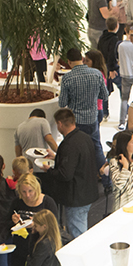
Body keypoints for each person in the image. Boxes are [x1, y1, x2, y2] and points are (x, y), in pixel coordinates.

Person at [45, 108, 100, 239]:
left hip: (76, 197)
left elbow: (66, 174)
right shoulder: (85, 138)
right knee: (81, 227)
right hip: (88, 191)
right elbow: (79, 160)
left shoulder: (68, 144)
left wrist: (49, 171)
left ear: (59, 124)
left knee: (77, 234)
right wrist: (57, 157)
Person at [58, 50, 109, 174]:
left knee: (75, 149)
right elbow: (105, 95)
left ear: (69, 62)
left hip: (75, 121)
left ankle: (81, 175)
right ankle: (106, 178)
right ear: (82, 59)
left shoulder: (67, 78)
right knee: (97, 147)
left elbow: (62, 103)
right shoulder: (96, 74)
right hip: (93, 118)